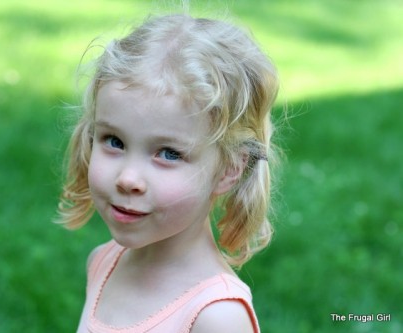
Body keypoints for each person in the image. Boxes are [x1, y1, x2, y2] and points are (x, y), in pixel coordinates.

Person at [58, 11, 279, 333]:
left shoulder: (216, 316)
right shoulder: (104, 261)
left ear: (230, 169)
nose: (128, 178)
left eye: (168, 154)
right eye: (114, 141)